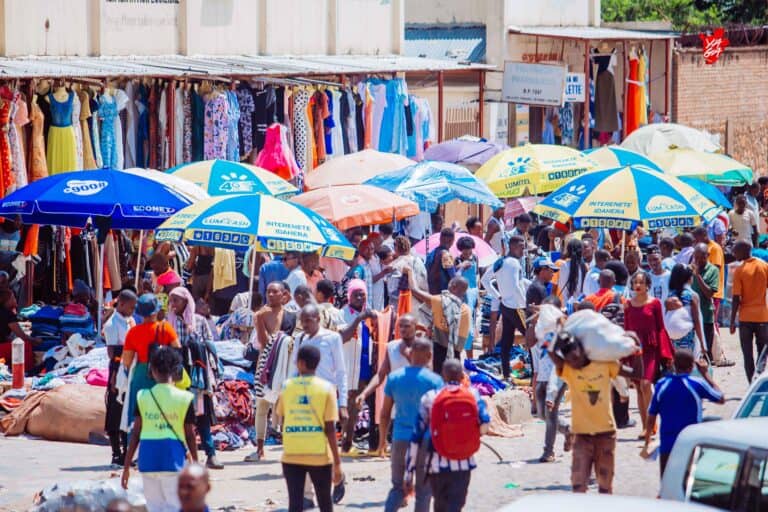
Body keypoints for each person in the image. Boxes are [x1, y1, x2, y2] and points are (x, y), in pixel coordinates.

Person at [549, 333, 642, 494]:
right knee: (578, 486)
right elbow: (553, 356)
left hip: (605, 433)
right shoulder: (569, 368)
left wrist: (638, 350)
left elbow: (636, 374)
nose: (573, 361)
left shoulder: (605, 364)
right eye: (569, 358)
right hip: (581, 434)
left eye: (574, 357)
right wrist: (554, 335)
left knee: (605, 487)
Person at [404, 359, 490, 512]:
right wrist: (470, 434)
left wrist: (409, 473)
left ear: (442, 375)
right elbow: (485, 423)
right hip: (464, 463)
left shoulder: (430, 397)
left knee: (440, 506)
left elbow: (416, 437)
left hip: (436, 465)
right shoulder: (473, 394)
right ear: (461, 375)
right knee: (455, 506)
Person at [121, 347, 197, 512]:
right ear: (176, 371)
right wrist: (196, 465)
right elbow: (190, 435)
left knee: (154, 507)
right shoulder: (185, 398)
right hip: (173, 460)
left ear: (152, 370)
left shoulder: (142, 396)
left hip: (148, 460)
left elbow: (135, 434)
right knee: (175, 506)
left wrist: (126, 467)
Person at [277, 344, 343, 512]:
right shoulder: (327, 388)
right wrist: (337, 462)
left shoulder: (287, 387)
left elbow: (282, 418)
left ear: (301, 363)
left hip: (292, 454)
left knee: (295, 504)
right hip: (319, 455)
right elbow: (330, 428)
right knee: (325, 503)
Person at [380, 337, 443, 512]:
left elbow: (384, 413)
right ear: (429, 355)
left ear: (411, 353)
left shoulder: (394, 377)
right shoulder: (435, 381)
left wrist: (382, 441)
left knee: (397, 488)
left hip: (400, 438)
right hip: (425, 441)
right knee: (424, 492)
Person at [642, 349, 725, 477]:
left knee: (666, 482)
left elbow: (651, 416)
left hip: (668, 445)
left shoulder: (662, 385)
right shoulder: (696, 384)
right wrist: (705, 374)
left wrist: (647, 442)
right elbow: (720, 398)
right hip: (691, 444)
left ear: (673, 364)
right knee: (689, 483)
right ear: (692, 366)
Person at [166, 287, 223, 470]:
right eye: (171, 301)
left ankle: (211, 454)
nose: (173, 304)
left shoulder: (199, 321)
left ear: (186, 301)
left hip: (197, 370)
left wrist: (195, 345)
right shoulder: (168, 322)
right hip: (177, 370)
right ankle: (181, 456)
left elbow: (209, 343)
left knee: (202, 413)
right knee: (180, 414)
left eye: (176, 300)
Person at [245, 281, 298, 463]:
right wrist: (259, 321)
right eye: (268, 292)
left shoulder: (292, 316)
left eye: (275, 292)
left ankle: (290, 449)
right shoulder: (262, 315)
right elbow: (264, 342)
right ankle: (259, 449)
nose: (271, 295)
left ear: (284, 295)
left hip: (285, 366)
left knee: (286, 407)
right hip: (265, 364)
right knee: (262, 406)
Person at [121, 294, 181, 431]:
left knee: (138, 418)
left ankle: (136, 441)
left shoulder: (133, 333)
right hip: (163, 375)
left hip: (141, 376)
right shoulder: (166, 328)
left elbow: (127, 361)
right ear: (156, 311)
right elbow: (178, 352)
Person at [624, 271, 673, 438]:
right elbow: (626, 329)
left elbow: (661, 328)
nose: (638, 285)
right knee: (638, 388)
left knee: (646, 384)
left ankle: (651, 422)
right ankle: (646, 426)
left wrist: (666, 353)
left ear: (647, 285)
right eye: (635, 282)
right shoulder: (628, 305)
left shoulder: (655, 303)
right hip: (635, 350)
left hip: (651, 350)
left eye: (641, 282)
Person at [404, 267, 471, 375]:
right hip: (455, 354)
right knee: (451, 379)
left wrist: (410, 272)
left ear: (453, 286)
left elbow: (414, 290)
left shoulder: (440, 301)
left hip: (440, 351)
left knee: (438, 378)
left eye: (449, 284)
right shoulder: (466, 309)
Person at [103, 289, 137, 467]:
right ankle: (116, 453)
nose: (133, 311)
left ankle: (127, 453)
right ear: (121, 304)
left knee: (127, 411)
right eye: (131, 307)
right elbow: (112, 352)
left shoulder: (130, 321)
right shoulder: (111, 325)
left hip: (130, 368)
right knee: (115, 412)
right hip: (118, 370)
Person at [355, 313, 418, 409]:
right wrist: (364, 394)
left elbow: (426, 373)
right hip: (396, 399)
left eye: (407, 326)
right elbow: (380, 375)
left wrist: (406, 354)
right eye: (401, 326)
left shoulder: (423, 347)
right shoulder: (392, 346)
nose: (403, 329)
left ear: (415, 327)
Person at [730, 240, 768, 382]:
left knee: (747, 354)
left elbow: (736, 298)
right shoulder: (764, 266)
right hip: (763, 316)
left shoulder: (740, 270)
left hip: (745, 318)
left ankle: (751, 383)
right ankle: (758, 378)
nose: (734, 254)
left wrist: (732, 321)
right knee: (762, 352)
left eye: (735, 251)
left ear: (743, 251)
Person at [666, 264, 706, 355]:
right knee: (686, 360)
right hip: (686, 335)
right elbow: (697, 321)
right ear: (689, 278)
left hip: (671, 337)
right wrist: (702, 343)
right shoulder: (692, 296)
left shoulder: (670, 295)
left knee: (675, 360)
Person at [691, 243, 719, 360]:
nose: (698, 260)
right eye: (696, 257)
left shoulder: (713, 270)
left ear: (707, 255)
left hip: (705, 315)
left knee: (705, 351)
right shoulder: (688, 269)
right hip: (691, 316)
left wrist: (698, 276)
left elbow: (709, 294)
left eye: (702, 257)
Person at [0, 289, 40, 366]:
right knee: (25, 346)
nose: (15, 300)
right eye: (13, 298)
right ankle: (28, 370)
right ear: (7, 300)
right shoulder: (7, 313)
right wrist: (35, 340)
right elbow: (22, 336)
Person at [388, 236, 428, 310]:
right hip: (420, 301)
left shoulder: (396, 264)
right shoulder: (419, 261)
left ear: (396, 248)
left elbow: (392, 290)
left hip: (403, 305)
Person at [455, 236, 479, 358]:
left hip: (473, 294)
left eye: (469, 249)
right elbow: (454, 276)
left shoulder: (475, 258)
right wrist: (462, 266)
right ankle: (459, 356)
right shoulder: (457, 260)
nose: (467, 252)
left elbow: (477, 276)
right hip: (462, 296)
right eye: (465, 249)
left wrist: (477, 296)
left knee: (471, 328)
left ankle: (470, 358)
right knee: (463, 327)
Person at [351, 239, 391, 310]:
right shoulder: (360, 265)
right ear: (360, 249)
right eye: (367, 249)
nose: (370, 251)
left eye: (372, 249)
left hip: (368, 305)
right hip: (361, 307)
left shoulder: (367, 263)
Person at [557, 238, 588, 304]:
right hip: (580, 304)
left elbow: (561, 286)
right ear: (581, 251)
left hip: (566, 304)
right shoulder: (585, 266)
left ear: (568, 250)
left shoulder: (564, 265)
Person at [426, 227, 456, 294]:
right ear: (452, 241)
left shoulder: (431, 253)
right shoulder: (446, 255)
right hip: (442, 292)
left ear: (440, 238)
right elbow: (454, 278)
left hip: (430, 290)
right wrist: (462, 267)